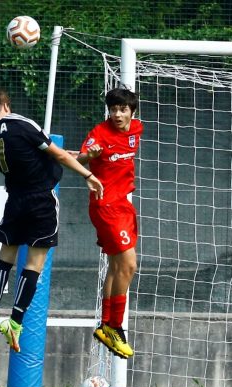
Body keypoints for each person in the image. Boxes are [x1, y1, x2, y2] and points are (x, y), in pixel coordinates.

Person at [0, 88, 103, 352]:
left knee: (5, 257)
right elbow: (55, 154)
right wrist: (87, 175)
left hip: (15, 200)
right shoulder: (21, 123)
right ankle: (15, 322)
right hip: (41, 200)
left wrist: (74, 155)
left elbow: (29, 157)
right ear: (6, 105)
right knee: (34, 264)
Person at [72, 87, 143, 359]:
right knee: (129, 264)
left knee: (117, 267)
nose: (117, 114)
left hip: (124, 205)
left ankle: (106, 326)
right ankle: (114, 326)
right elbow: (80, 158)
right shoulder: (98, 134)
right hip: (106, 206)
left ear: (131, 112)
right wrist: (90, 155)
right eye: (113, 109)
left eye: (122, 109)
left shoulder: (136, 129)